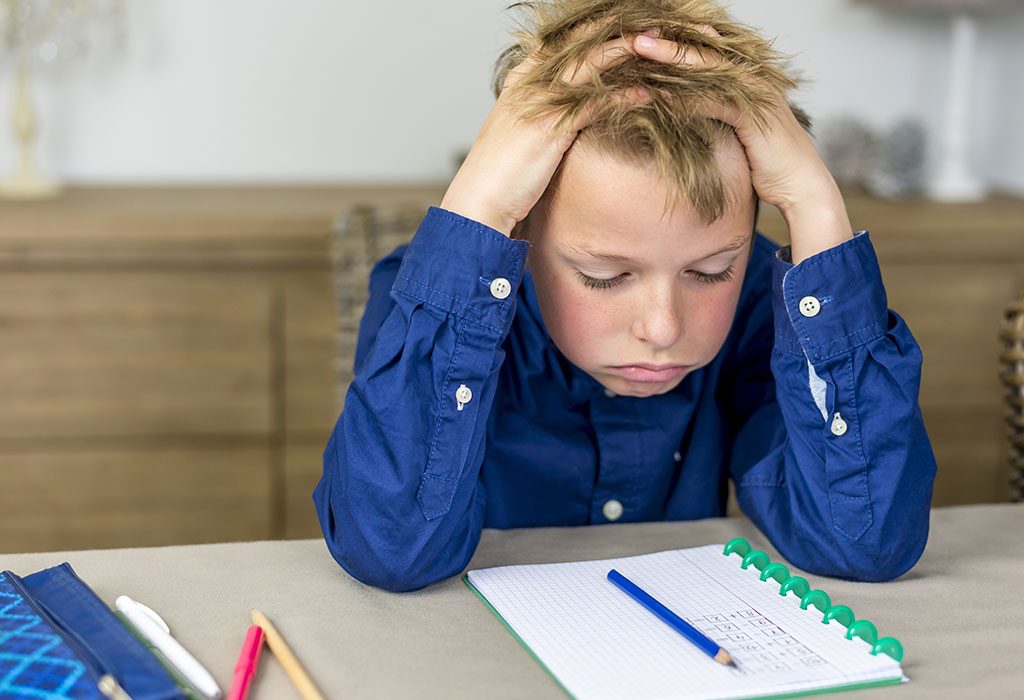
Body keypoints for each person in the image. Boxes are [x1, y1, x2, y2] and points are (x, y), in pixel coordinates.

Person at [314, 0, 937, 592]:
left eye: (711, 270)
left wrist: (815, 202)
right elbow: (391, 550)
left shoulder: (761, 310)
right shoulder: (429, 302)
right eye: (605, 277)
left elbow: (866, 544)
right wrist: (479, 200)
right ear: (523, 228)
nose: (663, 329)